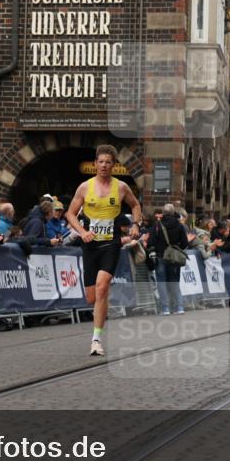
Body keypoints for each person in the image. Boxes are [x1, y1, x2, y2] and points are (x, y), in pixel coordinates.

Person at [65, 145, 143, 356]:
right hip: (90, 245)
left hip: (111, 244)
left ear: (114, 165)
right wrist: (82, 232)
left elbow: (135, 206)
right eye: (100, 162)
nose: (104, 166)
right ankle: (101, 304)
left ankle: (96, 339)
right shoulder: (84, 187)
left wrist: (136, 224)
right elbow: (70, 214)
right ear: (95, 164)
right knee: (92, 297)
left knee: (102, 287)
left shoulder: (121, 187)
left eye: (108, 162)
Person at [149, 203, 188, 315]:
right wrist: (176, 249)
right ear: (173, 212)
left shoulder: (157, 225)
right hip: (174, 257)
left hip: (160, 256)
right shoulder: (179, 225)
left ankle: (165, 308)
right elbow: (185, 243)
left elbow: (151, 242)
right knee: (174, 281)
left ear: (163, 213)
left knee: (161, 281)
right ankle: (179, 307)